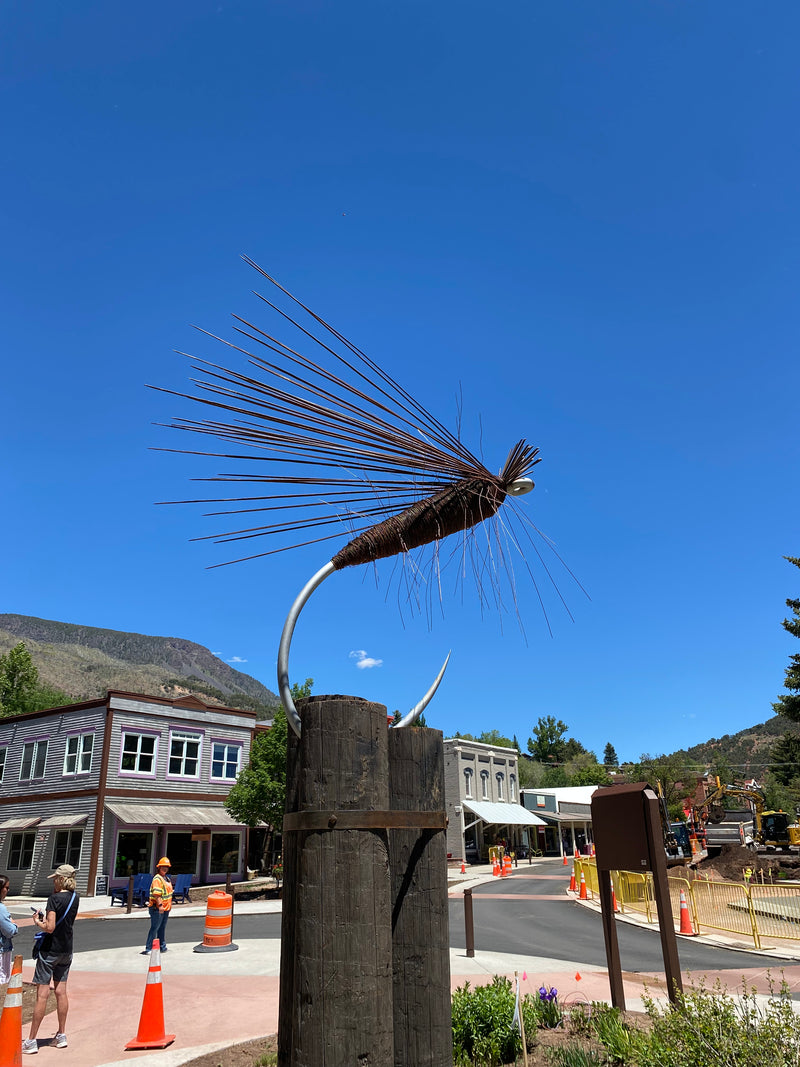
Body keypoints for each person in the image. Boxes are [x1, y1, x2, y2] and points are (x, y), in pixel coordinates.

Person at [23, 864, 79, 1054]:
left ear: (61, 879)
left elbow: (50, 927)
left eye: (55, 878)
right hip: (66, 949)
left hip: (50, 951)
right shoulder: (75, 898)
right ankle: (61, 1034)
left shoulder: (54, 899)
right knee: (61, 991)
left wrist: (38, 922)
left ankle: (31, 1040)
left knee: (42, 994)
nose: (53, 881)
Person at [143, 857, 173, 955]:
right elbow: (157, 894)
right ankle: (149, 948)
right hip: (157, 908)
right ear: (159, 867)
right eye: (163, 867)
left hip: (165, 908)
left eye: (166, 867)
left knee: (162, 928)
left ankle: (162, 946)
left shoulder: (166, 878)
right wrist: (160, 905)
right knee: (155, 927)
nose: (165, 869)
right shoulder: (157, 879)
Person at [0, 874, 19, 986]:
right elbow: (10, 930)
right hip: (2, 949)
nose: (8, 890)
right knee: (3, 978)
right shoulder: (1, 909)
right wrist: (13, 924)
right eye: (6, 888)